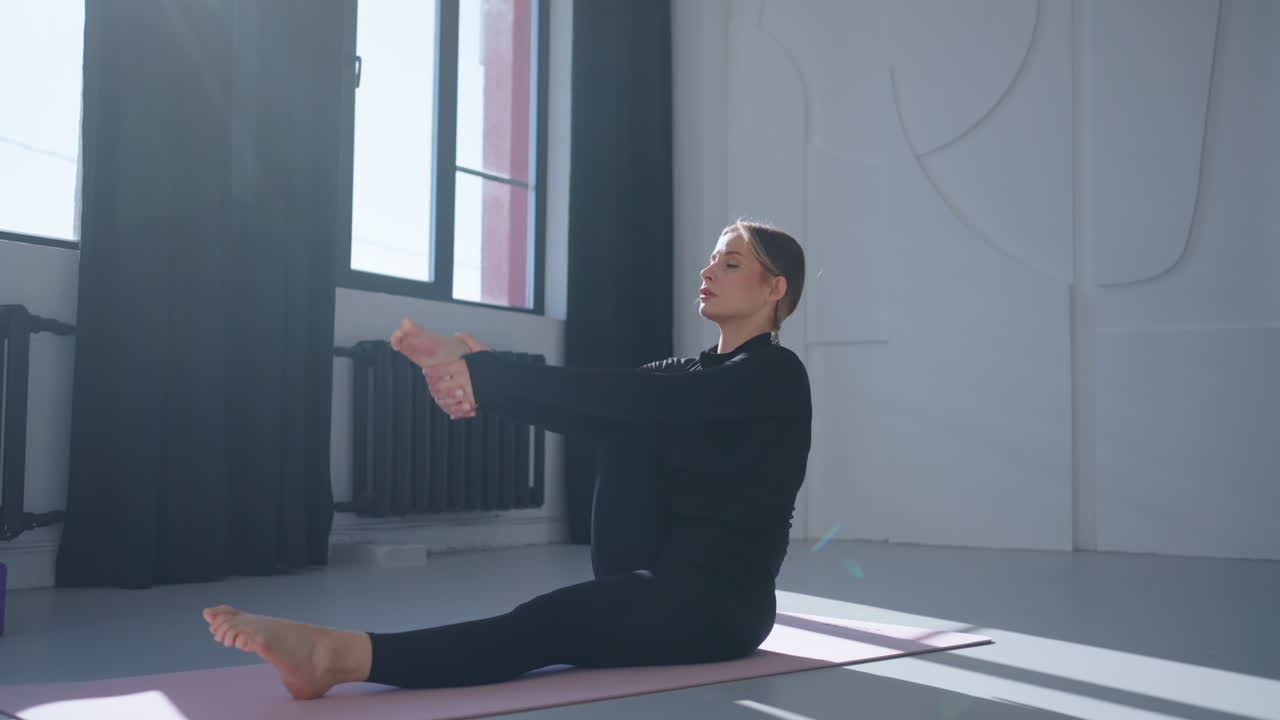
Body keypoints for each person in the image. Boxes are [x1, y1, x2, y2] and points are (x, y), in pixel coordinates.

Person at [202, 220, 811, 699]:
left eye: (730, 263)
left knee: (543, 624)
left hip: (721, 607)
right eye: (711, 257)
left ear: (774, 288)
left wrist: (486, 372)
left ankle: (335, 658)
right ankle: (333, 658)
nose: (709, 269)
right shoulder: (689, 373)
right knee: (623, 420)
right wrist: (484, 380)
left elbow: (638, 396)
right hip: (650, 578)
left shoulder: (776, 375)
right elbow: (599, 406)